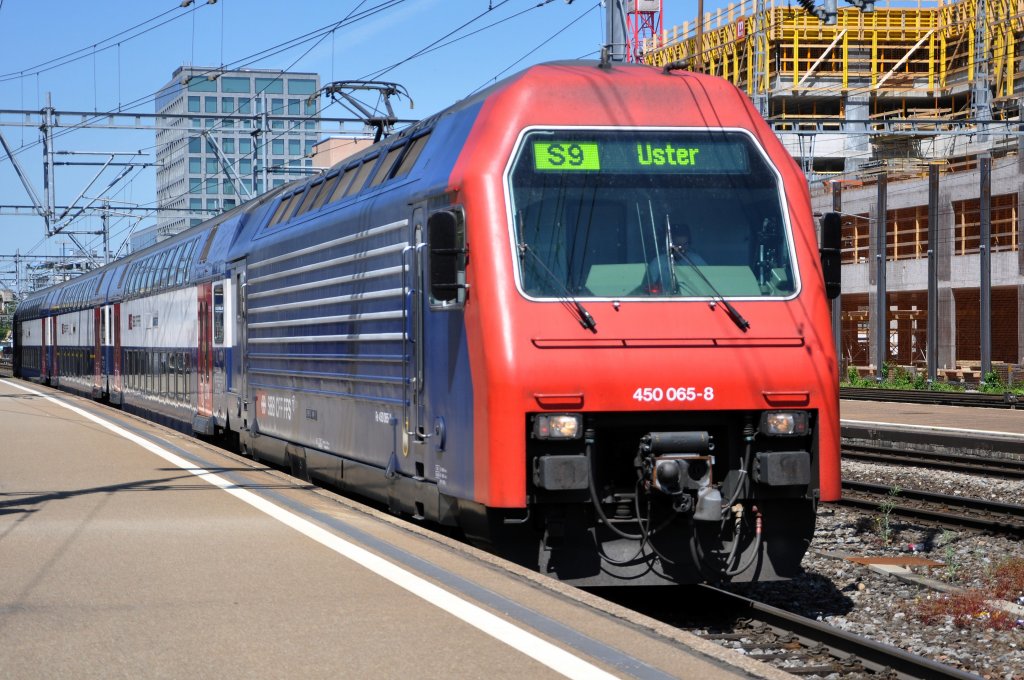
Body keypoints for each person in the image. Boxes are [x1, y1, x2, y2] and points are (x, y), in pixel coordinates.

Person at [645, 221, 705, 293]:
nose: (681, 248)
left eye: (685, 244)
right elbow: (647, 287)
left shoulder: (696, 260)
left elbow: (709, 281)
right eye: (678, 244)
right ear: (670, 245)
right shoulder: (658, 262)